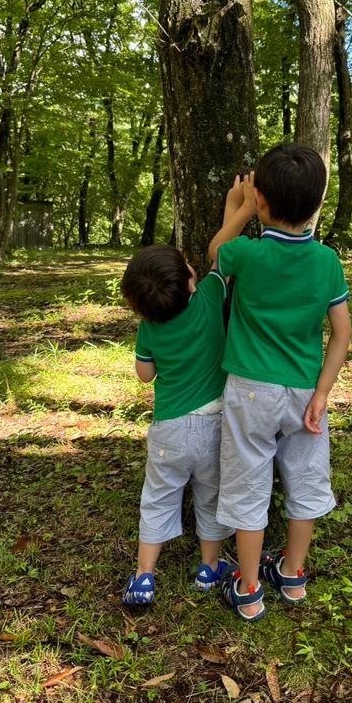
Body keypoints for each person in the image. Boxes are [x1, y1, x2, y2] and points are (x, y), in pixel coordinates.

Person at [208, 143, 351, 621]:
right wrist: (324, 390)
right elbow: (342, 333)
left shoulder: (245, 254)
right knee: (305, 480)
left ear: (262, 201)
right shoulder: (327, 261)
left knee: (249, 484)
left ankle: (248, 589)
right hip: (306, 391)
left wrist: (239, 208)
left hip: (249, 391)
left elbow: (215, 252)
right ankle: (292, 574)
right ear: (316, 205)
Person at [119, 243, 233, 605]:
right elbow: (222, 254)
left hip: (169, 428)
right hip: (215, 425)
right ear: (189, 283)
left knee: (157, 497)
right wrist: (242, 206)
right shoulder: (212, 295)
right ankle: (208, 567)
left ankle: (144, 577)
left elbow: (143, 374)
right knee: (211, 497)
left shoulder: (149, 328)